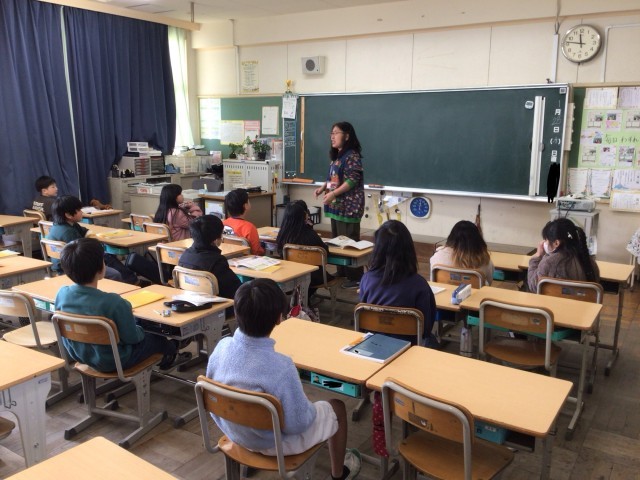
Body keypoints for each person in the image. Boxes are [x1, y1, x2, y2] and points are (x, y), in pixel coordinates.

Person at [206, 279, 361, 480]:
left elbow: (211, 395)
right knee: (336, 406)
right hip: (273, 444)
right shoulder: (282, 366)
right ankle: (339, 474)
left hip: (235, 432)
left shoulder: (221, 347)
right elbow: (299, 424)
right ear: (279, 319)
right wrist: (310, 409)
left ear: (236, 313)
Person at [55, 237, 186, 372]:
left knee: (135, 324)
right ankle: (173, 348)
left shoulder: (62, 294)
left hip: (81, 354)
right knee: (156, 338)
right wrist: (142, 330)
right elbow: (133, 338)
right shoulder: (114, 302)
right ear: (101, 269)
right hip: (115, 360)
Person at [359, 220, 438, 347]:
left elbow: (362, 316)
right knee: (432, 340)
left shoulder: (367, 279)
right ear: (409, 249)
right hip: (409, 347)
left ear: (377, 248)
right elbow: (426, 328)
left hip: (373, 343)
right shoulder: (419, 284)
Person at [314, 121, 365, 289]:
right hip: (336, 206)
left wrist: (333, 194)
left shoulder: (352, 156)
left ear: (347, 136)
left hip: (349, 207)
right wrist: (323, 188)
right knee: (337, 241)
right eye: (331, 133)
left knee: (349, 242)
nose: (332, 136)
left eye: (336, 133)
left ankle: (356, 277)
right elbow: (333, 178)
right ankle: (342, 271)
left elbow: (352, 180)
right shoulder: (338, 156)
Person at [47, 195, 139, 284]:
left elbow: (84, 231)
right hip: (74, 268)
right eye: (78, 210)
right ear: (68, 214)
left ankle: (131, 280)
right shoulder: (68, 232)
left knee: (107, 257)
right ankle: (131, 281)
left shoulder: (63, 225)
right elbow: (82, 253)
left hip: (66, 265)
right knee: (112, 268)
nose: (82, 212)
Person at [276, 202, 333, 300]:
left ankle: (301, 299)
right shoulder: (309, 234)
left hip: (291, 274)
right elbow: (325, 253)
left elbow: (279, 252)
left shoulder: (282, 235)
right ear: (302, 217)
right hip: (313, 276)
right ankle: (303, 299)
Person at [178, 215, 241, 300]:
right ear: (216, 240)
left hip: (190, 299)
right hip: (217, 303)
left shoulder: (184, 255)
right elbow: (235, 288)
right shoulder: (217, 262)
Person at [528, 218, 600, 292]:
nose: (544, 242)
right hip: (583, 299)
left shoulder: (549, 262)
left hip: (554, 300)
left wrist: (537, 256)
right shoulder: (589, 261)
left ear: (556, 243)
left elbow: (533, 286)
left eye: (546, 240)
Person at [430, 220, 494, 285]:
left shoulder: (438, 256)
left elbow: (432, 280)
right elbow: (489, 282)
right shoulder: (485, 261)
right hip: (473, 291)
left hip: (445, 291)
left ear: (451, 237)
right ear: (477, 240)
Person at [222, 188, 264, 255]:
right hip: (247, 259)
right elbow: (256, 252)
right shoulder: (249, 228)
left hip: (228, 258)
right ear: (245, 206)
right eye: (248, 200)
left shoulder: (222, 224)